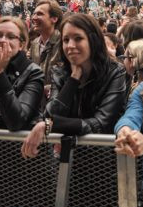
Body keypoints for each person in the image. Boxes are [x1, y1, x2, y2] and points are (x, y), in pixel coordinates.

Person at [21, 13, 126, 158]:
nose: (70, 45)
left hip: (105, 162)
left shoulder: (115, 72)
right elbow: (51, 114)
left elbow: (100, 123)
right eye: (65, 40)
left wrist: (51, 125)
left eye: (78, 38)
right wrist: (73, 79)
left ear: (93, 40)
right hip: (67, 160)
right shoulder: (59, 72)